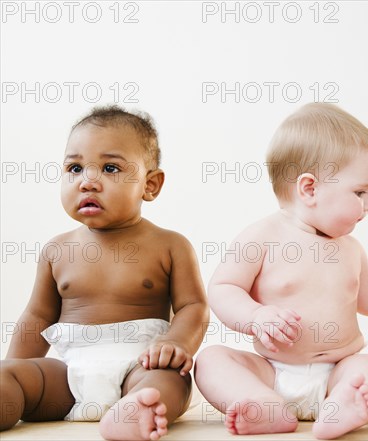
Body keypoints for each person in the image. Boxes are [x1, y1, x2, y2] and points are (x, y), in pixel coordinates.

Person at [194, 102, 368, 440]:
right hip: (270, 371)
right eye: (360, 192)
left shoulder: (351, 248)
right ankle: (262, 403)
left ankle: (341, 408)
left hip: (337, 371)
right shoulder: (261, 236)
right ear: (309, 189)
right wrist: (255, 316)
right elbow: (223, 287)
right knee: (210, 360)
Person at [0, 105, 209, 441]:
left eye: (110, 168)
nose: (88, 182)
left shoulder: (170, 245)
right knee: (9, 380)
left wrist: (175, 342)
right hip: (69, 377)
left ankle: (134, 412)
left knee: (172, 381)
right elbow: (36, 317)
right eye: (75, 168)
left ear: (150, 185)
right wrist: (15, 370)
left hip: (141, 366)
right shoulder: (57, 251)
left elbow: (193, 308)